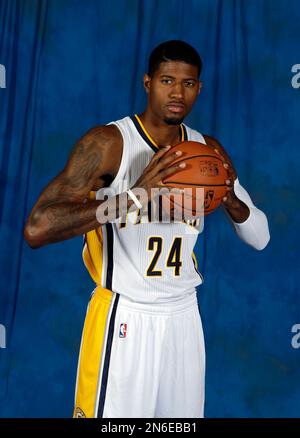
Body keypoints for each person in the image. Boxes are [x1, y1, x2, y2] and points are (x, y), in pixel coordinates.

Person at [24, 40, 270, 418]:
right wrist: (132, 197)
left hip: (184, 316)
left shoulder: (207, 153)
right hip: (125, 315)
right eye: (167, 80)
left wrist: (232, 200)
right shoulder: (109, 144)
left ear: (199, 89)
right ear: (147, 82)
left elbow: (261, 238)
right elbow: (37, 228)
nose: (177, 93)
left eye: (188, 84)